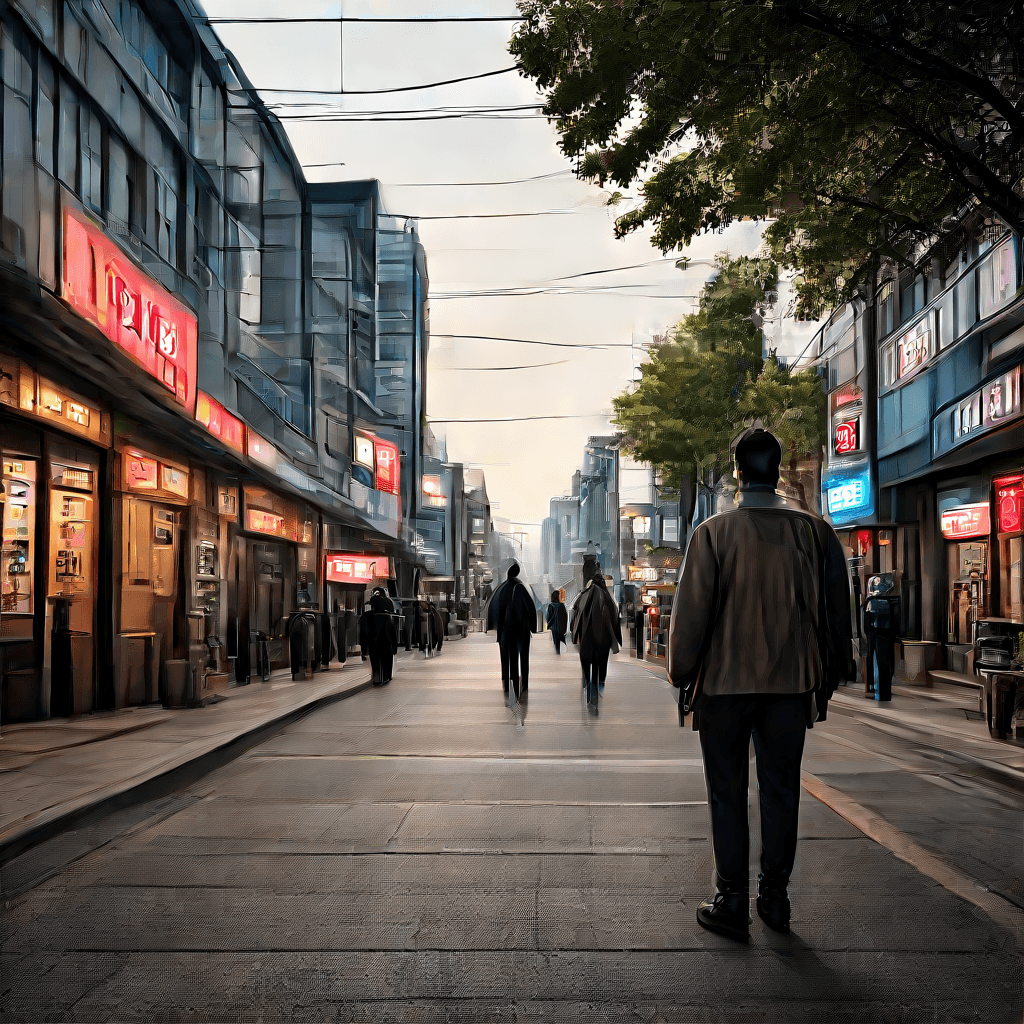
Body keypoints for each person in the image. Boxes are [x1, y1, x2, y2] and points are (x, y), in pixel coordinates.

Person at [669, 427, 854, 942]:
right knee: (780, 788)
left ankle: (730, 899)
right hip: (791, 685)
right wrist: (833, 672)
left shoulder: (712, 533)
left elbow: (691, 618)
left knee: (726, 791)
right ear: (776, 470)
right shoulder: (816, 533)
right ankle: (774, 895)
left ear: (736, 472)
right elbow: (839, 616)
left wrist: (682, 673)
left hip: (723, 686)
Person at [485, 562, 537, 704]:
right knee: (524, 657)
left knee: (510, 658)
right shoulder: (521, 588)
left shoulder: (501, 590)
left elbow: (495, 610)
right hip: (523, 629)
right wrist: (533, 627)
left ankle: (510, 685)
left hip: (506, 630)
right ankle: (524, 684)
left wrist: (497, 629)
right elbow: (531, 608)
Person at [572, 574, 622, 710]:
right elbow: (614, 619)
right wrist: (615, 640)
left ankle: (588, 690)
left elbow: (574, 615)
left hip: (585, 640)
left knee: (587, 667)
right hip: (603, 641)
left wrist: (575, 635)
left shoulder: (582, 596)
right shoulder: (607, 598)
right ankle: (596, 691)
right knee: (600, 668)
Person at [359, 589, 400, 685]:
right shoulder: (386, 615)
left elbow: (363, 632)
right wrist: (395, 647)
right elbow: (392, 633)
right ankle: (387, 676)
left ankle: (377, 678)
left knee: (375, 661)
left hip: (373, 643)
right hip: (386, 642)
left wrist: (363, 648)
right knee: (387, 661)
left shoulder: (367, 616)